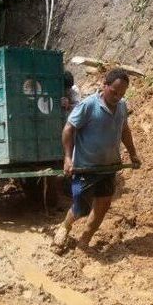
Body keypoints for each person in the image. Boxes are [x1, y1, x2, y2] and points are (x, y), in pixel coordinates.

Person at [52, 68, 141, 250]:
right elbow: (69, 128)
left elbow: (125, 130)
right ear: (104, 85)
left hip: (109, 168)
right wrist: (68, 158)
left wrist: (132, 153)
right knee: (80, 206)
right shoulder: (88, 105)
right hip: (84, 169)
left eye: (121, 93)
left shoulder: (122, 106)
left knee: (103, 204)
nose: (117, 96)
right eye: (114, 92)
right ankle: (65, 226)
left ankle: (84, 240)